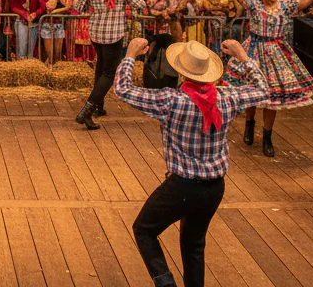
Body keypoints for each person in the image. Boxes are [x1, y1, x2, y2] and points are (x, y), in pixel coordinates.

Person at [113, 36, 268, 287]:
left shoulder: (170, 100)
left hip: (182, 186)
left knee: (144, 229)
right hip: (214, 187)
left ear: (182, 71)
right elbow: (262, 90)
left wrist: (130, 55)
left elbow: (122, 89)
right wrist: (243, 56)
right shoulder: (227, 98)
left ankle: (166, 283)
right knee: (194, 245)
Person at [229, 0, 313, 156]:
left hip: (276, 51)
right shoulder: (254, 5)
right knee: (252, 92)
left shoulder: (285, 5)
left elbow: (305, 1)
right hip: (254, 50)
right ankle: (249, 124)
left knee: (272, 97)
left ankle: (267, 137)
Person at [72, 0, 145, 130]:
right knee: (109, 73)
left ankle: (99, 106)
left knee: (100, 67)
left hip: (96, 31)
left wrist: (97, 7)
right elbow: (140, 3)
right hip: (114, 32)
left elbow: (79, 7)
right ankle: (87, 110)